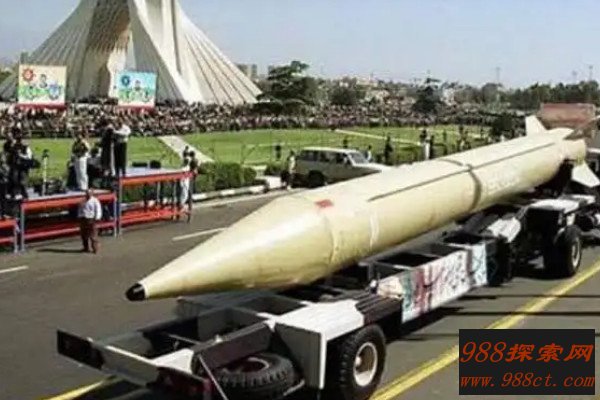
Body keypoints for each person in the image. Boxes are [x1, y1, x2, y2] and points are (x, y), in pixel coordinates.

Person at [78, 189, 102, 253]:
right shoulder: (82, 200)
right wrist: (80, 216)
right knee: (84, 235)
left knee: (93, 235)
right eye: (87, 193)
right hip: (84, 218)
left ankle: (95, 249)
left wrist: (97, 218)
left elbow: (98, 210)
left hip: (91, 219)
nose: (88, 195)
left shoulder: (95, 201)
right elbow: (80, 209)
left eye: (89, 193)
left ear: (92, 194)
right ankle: (86, 248)